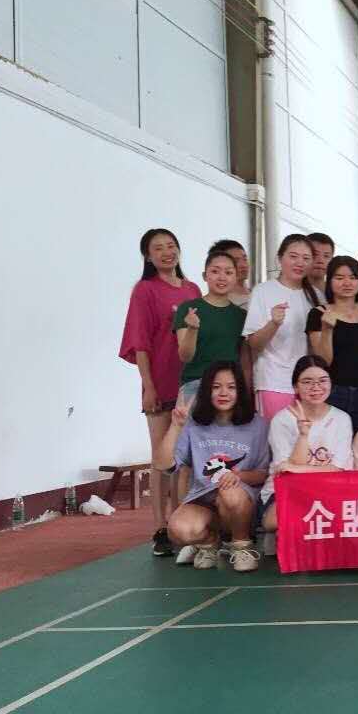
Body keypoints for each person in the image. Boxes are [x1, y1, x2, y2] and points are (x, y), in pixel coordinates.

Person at [119, 227, 202, 556]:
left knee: (185, 459)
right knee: (161, 458)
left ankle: (182, 522)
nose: (167, 252)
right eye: (158, 248)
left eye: (171, 246)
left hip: (190, 383)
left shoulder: (193, 289)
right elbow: (140, 342)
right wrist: (149, 387)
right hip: (160, 381)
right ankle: (160, 528)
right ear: (148, 256)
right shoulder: (144, 291)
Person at [155, 361, 269, 572]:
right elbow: (163, 465)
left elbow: (263, 474)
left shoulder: (258, 425)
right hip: (204, 501)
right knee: (178, 530)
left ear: (240, 391)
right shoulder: (193, 424)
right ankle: (210, 543)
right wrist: (176, 427)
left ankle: (241, 545)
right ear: (207, 391)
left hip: (240, 503)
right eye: (216, 387)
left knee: (230, 493)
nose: (223, 393)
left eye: (231, 387)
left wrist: (239, 476)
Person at [260, 355, 354, 536]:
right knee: (274, 521)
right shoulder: (282, 420)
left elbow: (338, 470)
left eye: (322, 380)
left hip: (328, 489)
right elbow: (286, 474)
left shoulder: (342, 419)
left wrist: (297, 469)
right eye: (307, 382)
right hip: (287, 490)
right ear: (295, 387)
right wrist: (303, 436)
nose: (316, 387)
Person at [243, 234, 317, 421]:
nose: (300, 263)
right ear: (279, 258)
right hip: (273, 381)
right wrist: (273, 324)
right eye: (293, 256)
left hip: (309, 384)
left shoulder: (317, 296)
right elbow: (254, 344)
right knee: (275, 437)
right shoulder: (263, 291)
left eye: (306, 258)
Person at [307, 256, 358, 432]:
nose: (347, 283)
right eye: (339, 278)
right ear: (329, 281)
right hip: (331, 392)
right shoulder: (319, 314)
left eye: (353, 277)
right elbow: (323, 361)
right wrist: (327, 329)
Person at [174, 250, 248, 404]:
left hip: (229, 390)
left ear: (236, 277)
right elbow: (185, 356)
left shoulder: (241, 315)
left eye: (228, 272)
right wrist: (192, 329)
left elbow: (243, 359)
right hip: (195, 385)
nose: (222, 277)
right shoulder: (188, 308)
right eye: (215, 271)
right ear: (204, 276)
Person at [208, 239, 252, 308]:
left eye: (245, 259)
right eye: (236, 261)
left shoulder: (259, 293)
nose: (244, 265)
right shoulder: (219, 303)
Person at [305, 232, 335, 305]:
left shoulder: (338, 291)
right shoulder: (292, 290)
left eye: (326, 256)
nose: (320, 261)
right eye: (315, 254)